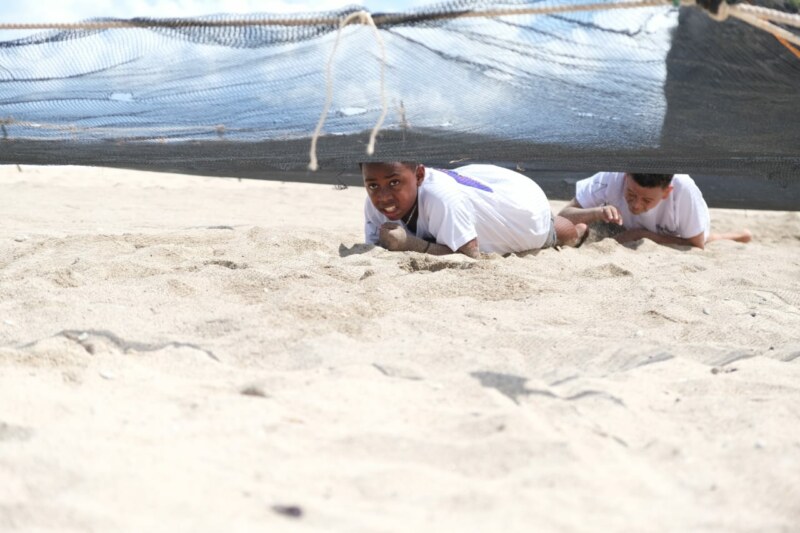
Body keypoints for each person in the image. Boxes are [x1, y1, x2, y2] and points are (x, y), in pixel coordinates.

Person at [361, 162, 588, 258]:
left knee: (556, 232)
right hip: (478, 186)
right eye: (372, 185)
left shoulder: (441, 199)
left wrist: (409, 245)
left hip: (520, 205)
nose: (383, 196)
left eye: (394, 183)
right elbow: (375, 246)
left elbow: (469, 255)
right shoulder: (376, 205)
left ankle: (579, 227)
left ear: (419, 175)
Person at [557, 172, 752, 249]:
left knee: (703, 237)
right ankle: (740, 235)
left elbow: (696, 244)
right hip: (619, 226)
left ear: (667, 192)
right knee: (579, 226)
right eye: (631, 194)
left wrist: (644, 235)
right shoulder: (611, 177)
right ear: (626, 177)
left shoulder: (685, 191)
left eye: (647, 200)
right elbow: (563, 217)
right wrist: (596, 212)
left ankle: (736, 236)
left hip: (665, 230)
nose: (636, 205)